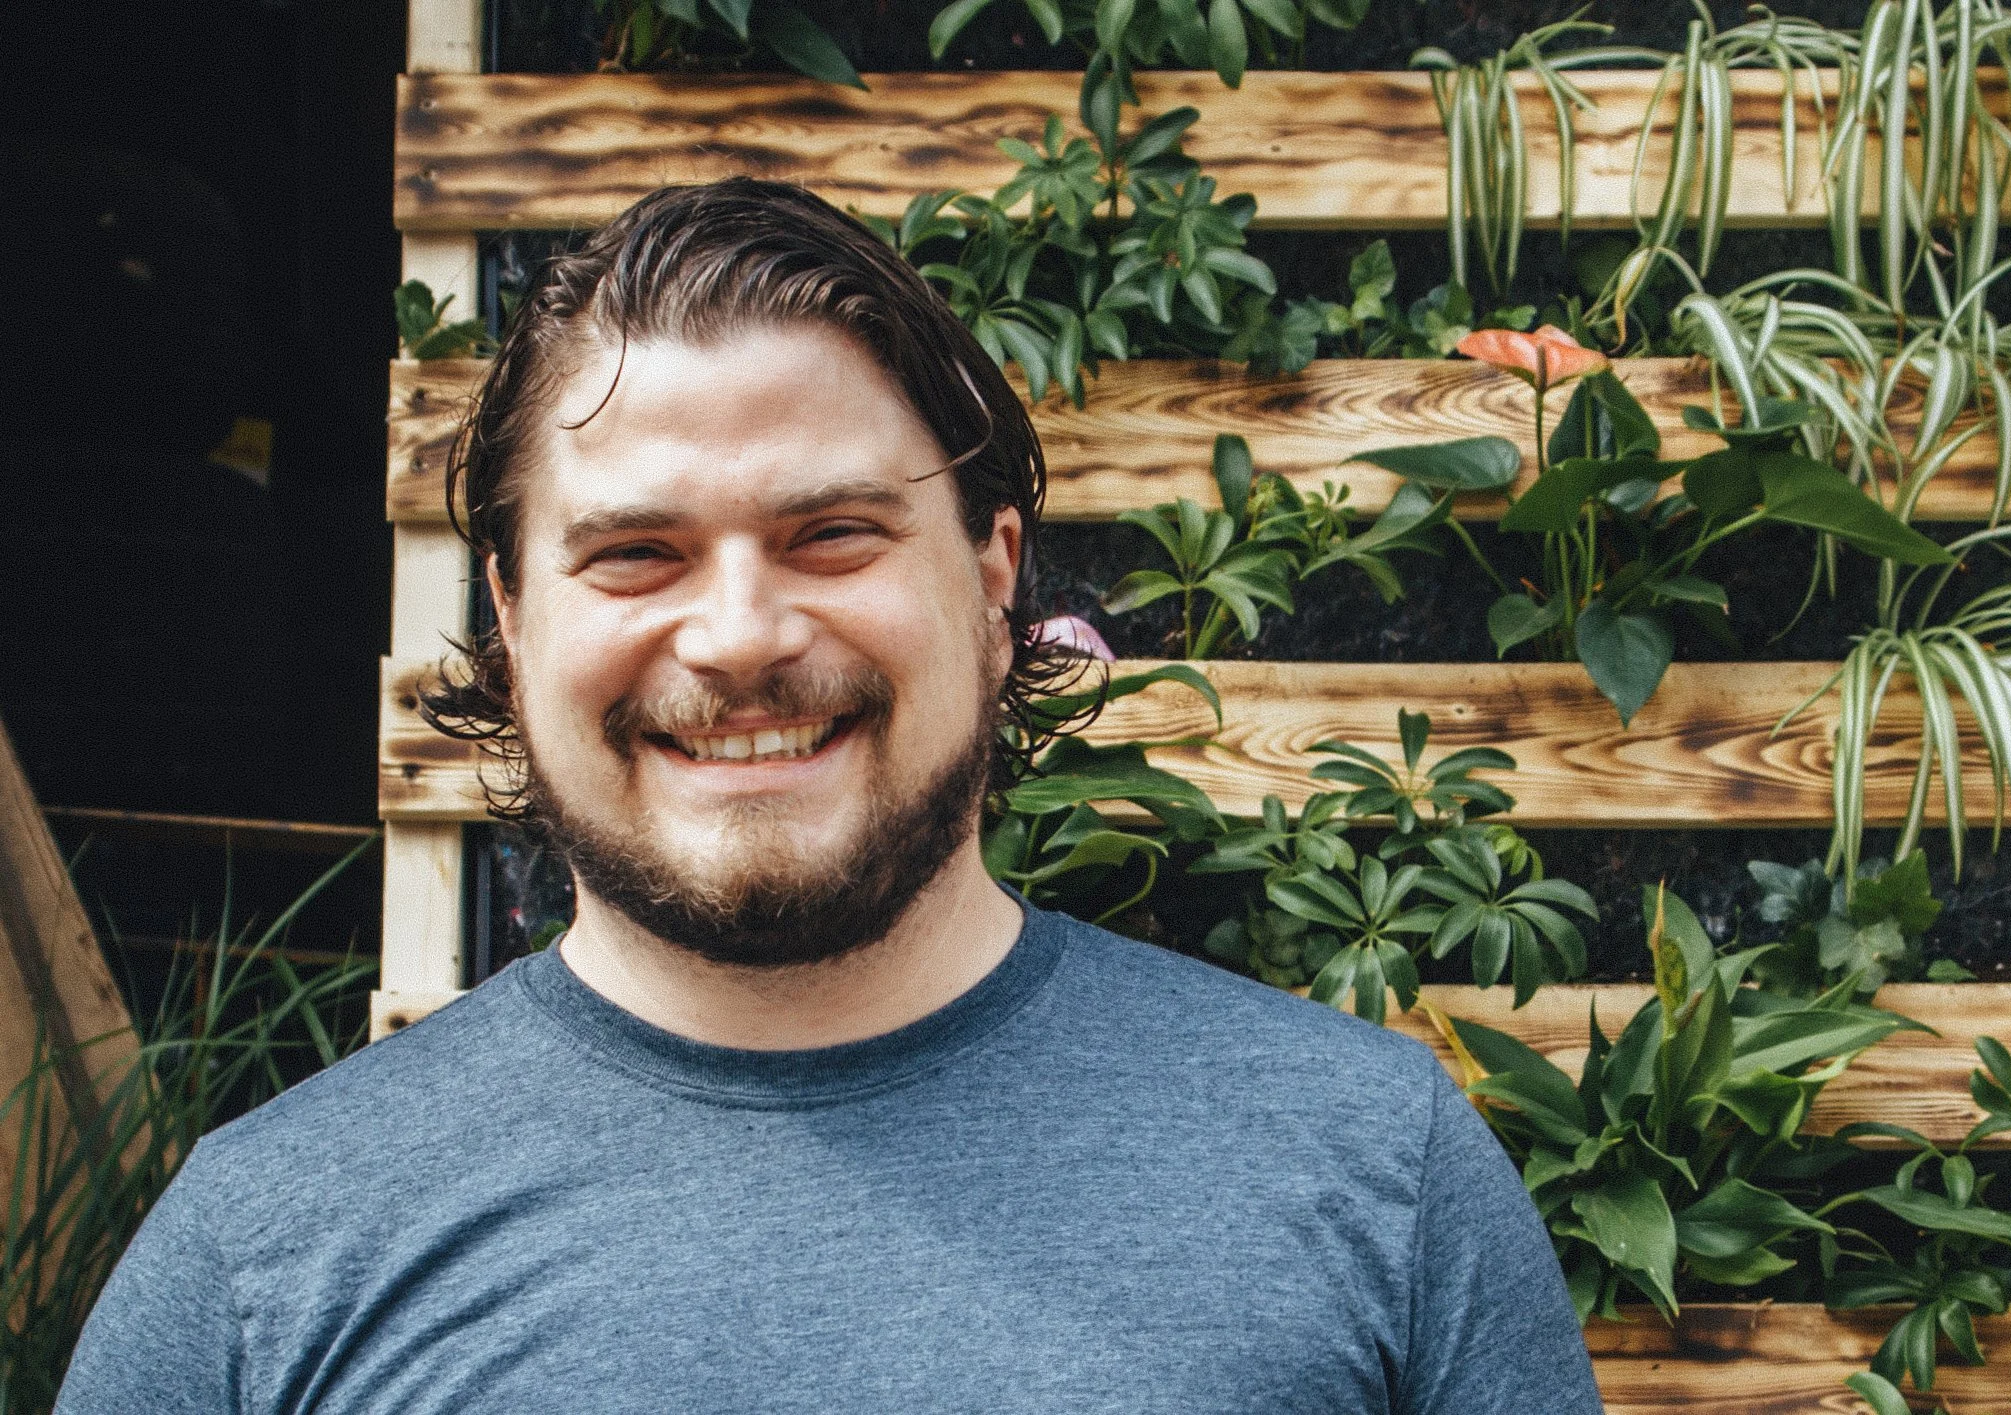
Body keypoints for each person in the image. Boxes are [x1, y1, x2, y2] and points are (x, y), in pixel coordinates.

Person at [57, 178, 1602, 1414]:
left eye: (834, 535)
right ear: (516, 622)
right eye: (635, 554)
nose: (738, 636)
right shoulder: (266, 1252)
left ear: (992, 581)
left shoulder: (1373, 1169)